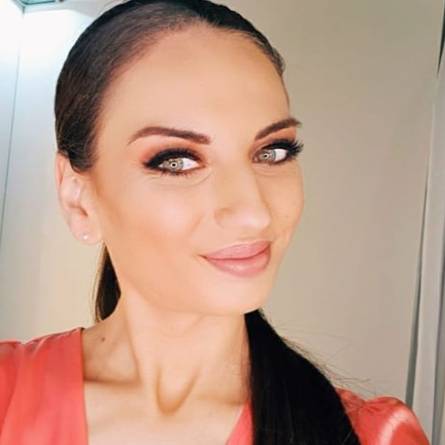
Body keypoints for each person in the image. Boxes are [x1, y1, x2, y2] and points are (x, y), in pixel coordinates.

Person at [0, 1, 430, 444]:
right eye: (177, 161)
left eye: (273, 152)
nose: (253, 212)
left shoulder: (373, 436)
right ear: (78, 198)